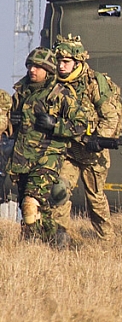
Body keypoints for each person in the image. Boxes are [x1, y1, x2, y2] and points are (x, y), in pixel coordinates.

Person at [8, 47, 90, 247]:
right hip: (23, 159)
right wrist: (13, 121)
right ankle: (56, 240)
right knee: (36, 211)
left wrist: (56, 125)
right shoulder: (21, 93)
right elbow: (9, 124)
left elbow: (81, 125)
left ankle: (40, 243)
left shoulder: (61, 95)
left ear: (49, 70)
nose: (32, 70)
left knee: (30, 203)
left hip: (48, 157)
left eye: (38, 66)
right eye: (30, 66)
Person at [50, 34, 122, 240]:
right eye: (59, 62)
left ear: (78, 62)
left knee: (95, 200)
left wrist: (98, 139)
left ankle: (107, 239)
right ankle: (60, 236)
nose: (61, 66)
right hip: (69, 151)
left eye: (65, 62)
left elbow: (111, 117)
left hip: (93, 153)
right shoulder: (56, 84)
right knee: (59, 190)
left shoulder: (95, 83)